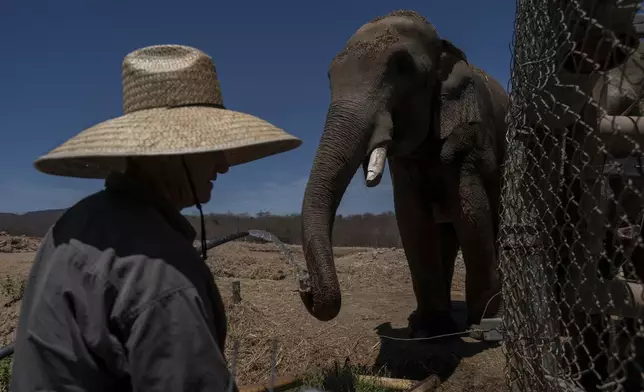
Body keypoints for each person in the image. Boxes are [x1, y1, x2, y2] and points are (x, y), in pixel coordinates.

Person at [9, 44, 302, 392]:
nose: (223, 164)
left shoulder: (74, 225)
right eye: (209, 147)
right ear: (165, 154)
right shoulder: (161, 271)